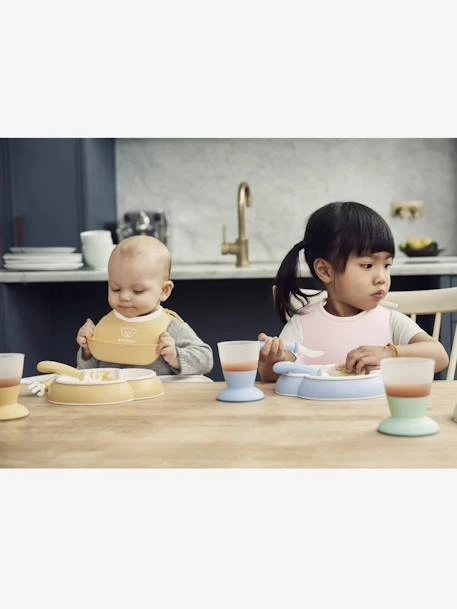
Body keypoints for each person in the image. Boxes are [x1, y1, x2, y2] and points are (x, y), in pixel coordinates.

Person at [258, 201, 449, 382]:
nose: (382, 278)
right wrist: (271, 360)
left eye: (387, 265)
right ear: (325, 271)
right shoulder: (303, 324)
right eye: (367, 265)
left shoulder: (390, 321)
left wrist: (390, 353)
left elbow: (439, 356)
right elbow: (272, 376)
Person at [76, 235, 213, 376]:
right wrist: (88, 351)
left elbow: (205, 360)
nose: (124, 296)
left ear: (164, 291)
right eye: (116, 289)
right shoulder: (106, 324)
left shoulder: (170, 327)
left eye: (137, 291)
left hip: (159, 390)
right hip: (114, 390)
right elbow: (88, 372)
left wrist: (175, 357)